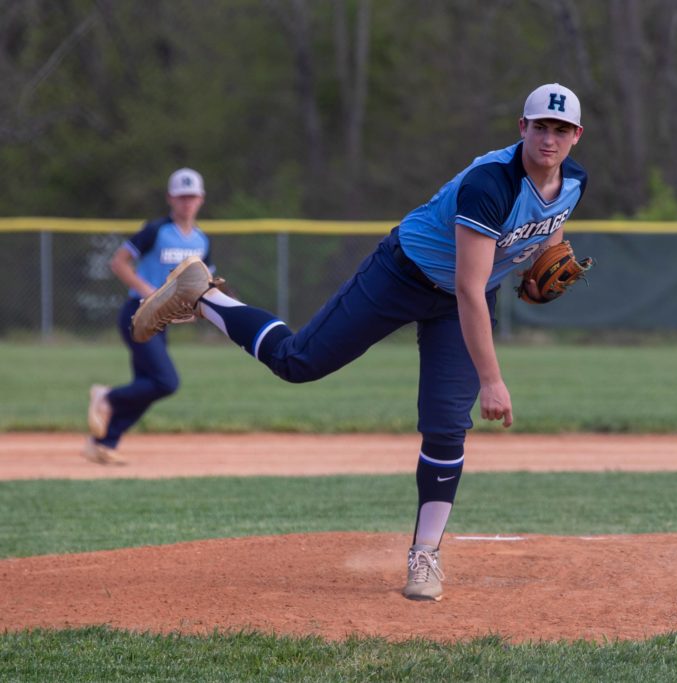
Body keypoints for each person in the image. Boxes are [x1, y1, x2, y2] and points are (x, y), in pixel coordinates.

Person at [130, 83, 587, 601]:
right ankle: (204, 296)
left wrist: (543, 262)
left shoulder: (574, 180)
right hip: (403, 276)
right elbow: (468, 286)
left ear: (577, 135)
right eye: (540, 126)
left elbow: (549, 225)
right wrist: (492, 379)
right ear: (522, 127)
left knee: (446, 428)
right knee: (298, 361)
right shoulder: (491, 183)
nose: (549, 138)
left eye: (561, 129)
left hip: (460, 301)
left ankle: (425, 555)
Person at [85, 168, 216, 465]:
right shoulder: (156, 230)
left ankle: (103, 443)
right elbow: (119, 262)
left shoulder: (202, 240)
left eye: (192, 196)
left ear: (201, 199)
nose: (187, 202)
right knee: (166, 382)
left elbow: (205, 282)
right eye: (181, 197)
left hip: (163, 320)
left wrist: (199, 307)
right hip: (138, 314)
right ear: (170, 198)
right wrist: (150, 291)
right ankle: (106, 397)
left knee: (148, 385)